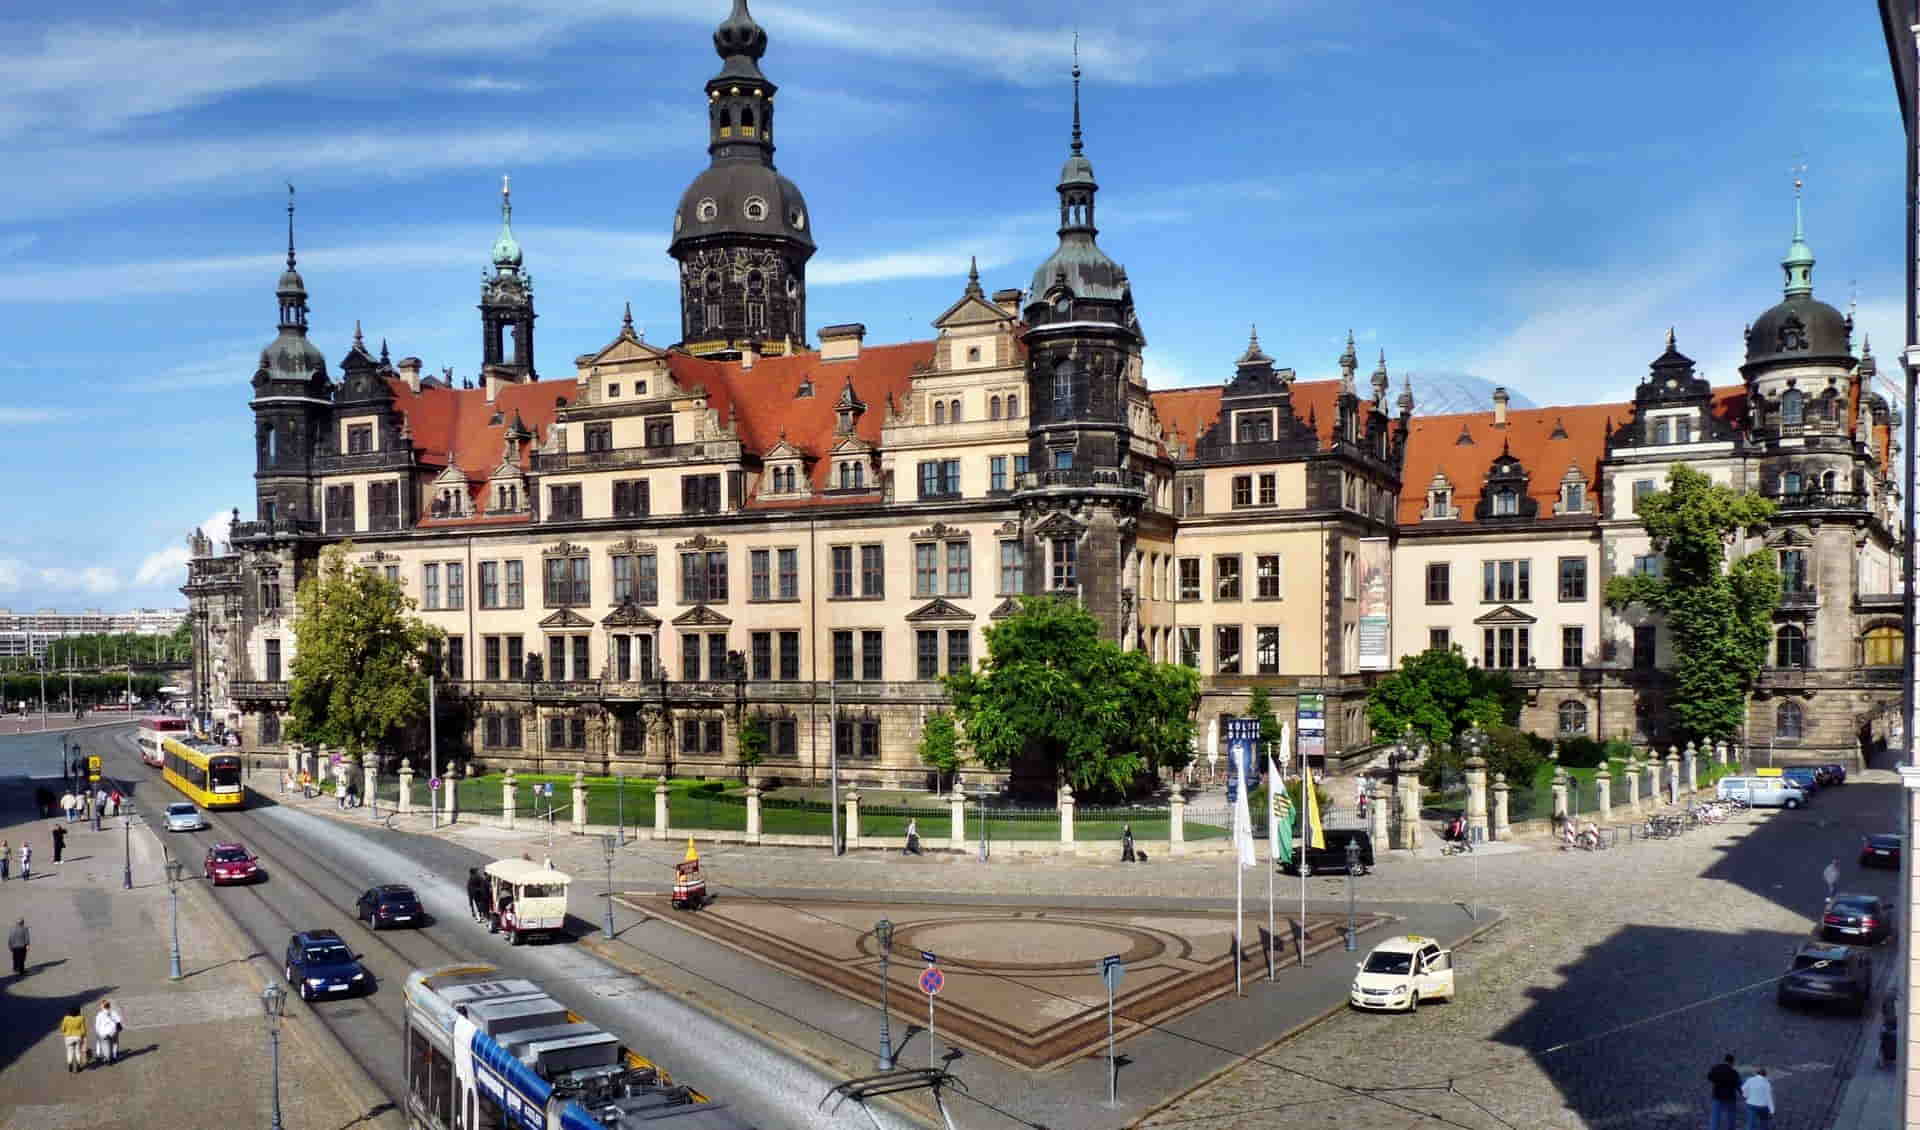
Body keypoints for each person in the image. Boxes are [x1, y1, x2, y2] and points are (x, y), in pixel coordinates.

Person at [1707, 1053, 1741, 1130]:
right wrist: (1745, 1095)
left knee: (1715, 1117)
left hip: (1717, 1096)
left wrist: (1717, 1081)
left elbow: (1709, 1077)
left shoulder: (1716, 1068)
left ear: (1724, 1060)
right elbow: (1738, 1085)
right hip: (1730, 1097)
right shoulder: (1734, 1072)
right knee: (1730, 1117)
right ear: (1732, 1062)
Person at [93, 999, 123, 1065]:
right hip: (113, 1031)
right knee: (115, 1043)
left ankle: (107, 1058)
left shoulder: (99, 1014)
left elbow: (97, 1025)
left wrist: (98, 1032)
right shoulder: (113, 1012)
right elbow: (119, 1020)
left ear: (103, 1006)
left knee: (105, 1045)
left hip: (104, 1032)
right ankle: (114, 1056)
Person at [59, 1005, 86, 1072]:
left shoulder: (66, 1018)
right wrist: (83, 1037)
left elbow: (62, 1029)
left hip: (68, 1037)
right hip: (78, 1037)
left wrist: (65, 1031)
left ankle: (70, 1064)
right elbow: (83, 1030)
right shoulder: (81, 1018)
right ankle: (78, 1066)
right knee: (77, 1052)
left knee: (69, 1051)